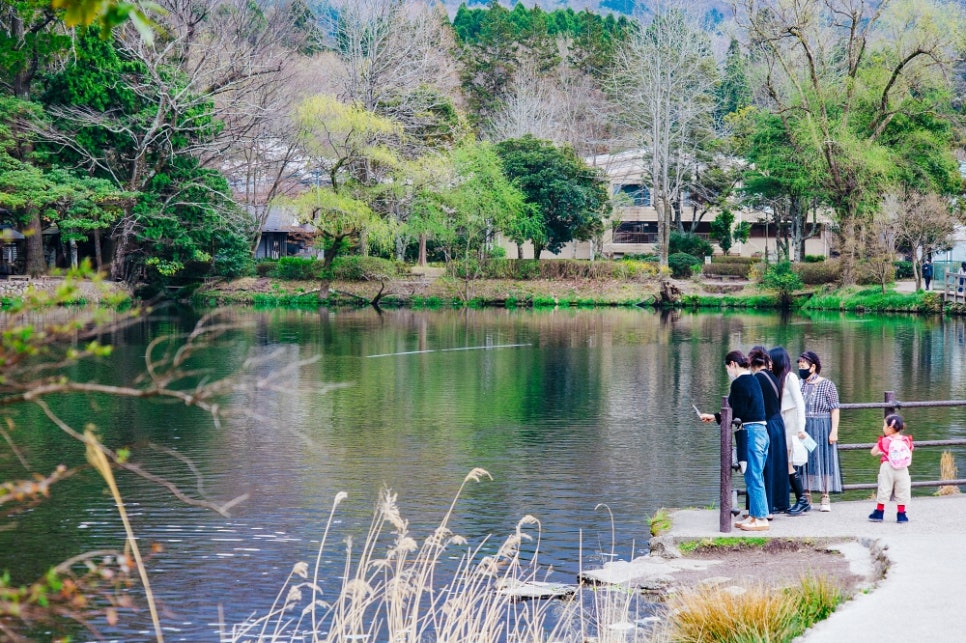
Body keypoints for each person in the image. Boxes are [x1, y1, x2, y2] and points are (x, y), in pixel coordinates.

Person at [699, 350, 770, 531]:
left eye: (727, 368)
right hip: (761, 431)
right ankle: (754, 516)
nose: (728, 372)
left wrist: (717, 417)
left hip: (751, 432)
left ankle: (761, 519)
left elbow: (734, 412)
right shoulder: (753, 379)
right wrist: (715, 417)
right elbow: (738, 409)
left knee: (753, 476)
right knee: (755, 475)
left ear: (733, 364)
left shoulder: (739, 383)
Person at [798, 350, 841, 512]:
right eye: (799, 365)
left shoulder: (827, 385)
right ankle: (806, 495)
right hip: (804, 427)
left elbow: (834, 409)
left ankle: (825, 495)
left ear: (813, 366)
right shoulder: (799, 385)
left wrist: (834, 430)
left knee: (824, 459)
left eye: (803, 365)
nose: (801, 368)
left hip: (822, 426)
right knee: (805, 460)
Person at [749, 346, 789, 516]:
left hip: (767, 425)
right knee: (775, 466)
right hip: (777, 423)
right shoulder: (772, 377)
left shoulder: (757, 378)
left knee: (764, 466)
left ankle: (765, 508)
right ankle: (774, 505)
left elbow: (753, 404)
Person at [770, 346, 810, 515]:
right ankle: (793, 500)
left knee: (788, 462)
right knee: (785, 462)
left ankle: (802, 499)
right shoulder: (777, 378)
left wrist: (801, 428)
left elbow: (800, 404)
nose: (769, 363)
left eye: (771, 360)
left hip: (792, 423)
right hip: (782, 423)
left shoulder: (790, 377)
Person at [869, 414, 913, 524]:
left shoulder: (885, 441)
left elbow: (873, 452)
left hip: (887, 466)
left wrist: (882, 452)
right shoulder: (906, 440)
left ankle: (879, 512)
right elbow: (909, 455)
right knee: (902, 490)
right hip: (903, 469)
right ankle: (901, 515)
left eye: (884, 425)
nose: (883, 427)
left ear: (890, 428)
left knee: (884, 488)